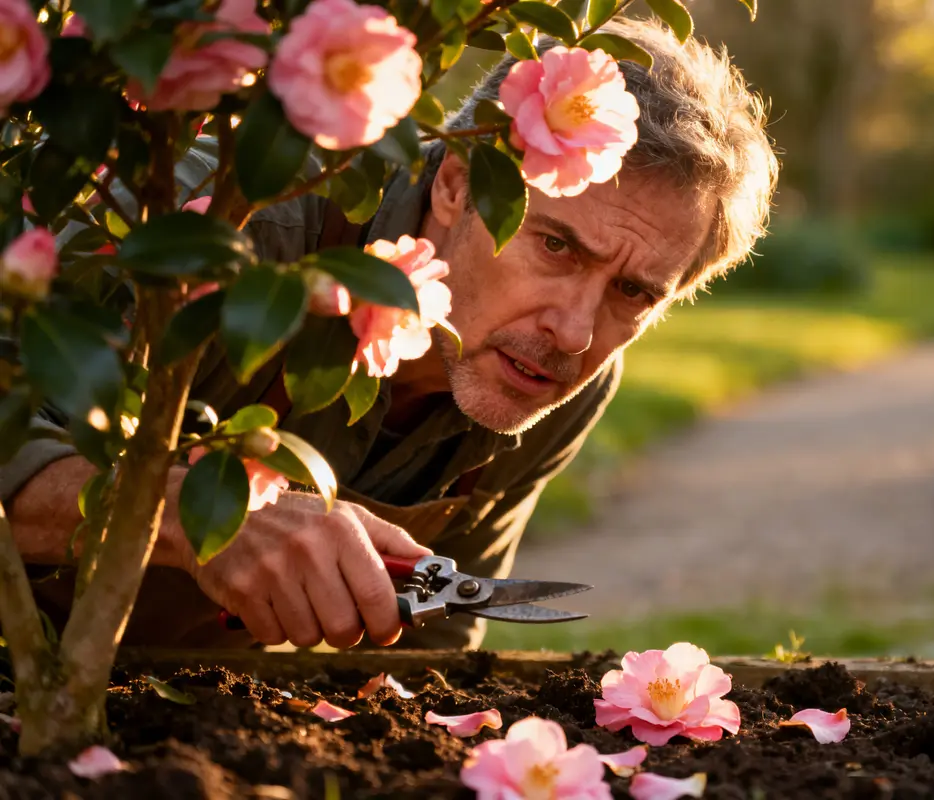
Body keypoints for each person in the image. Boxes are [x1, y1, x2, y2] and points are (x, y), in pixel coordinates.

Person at [1, 17, 779, 651]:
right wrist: (199, 514)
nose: (576, 332)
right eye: (556, 246)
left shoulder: (565, 377)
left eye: (635, 291)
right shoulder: (223, 231)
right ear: (452, 183)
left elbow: (440, 637)